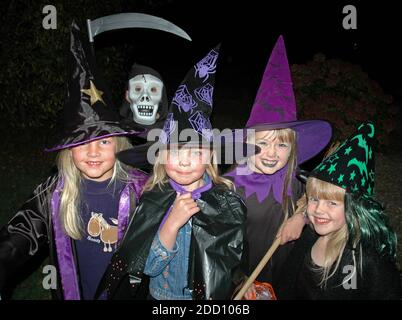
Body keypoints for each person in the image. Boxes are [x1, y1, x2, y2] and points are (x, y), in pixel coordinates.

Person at [96, 45, 258, 300]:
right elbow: (146, 268)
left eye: (195, 152)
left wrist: (242, 283)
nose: (184, 162)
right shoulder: (152, 197)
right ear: (160, 158)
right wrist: (171, 223)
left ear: (210, 157)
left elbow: (234, 260)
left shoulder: (227, 202)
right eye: (173, 152)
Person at [0, 22, 148, 300]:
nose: (93, 153)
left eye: (104, 141)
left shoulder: (141, 189)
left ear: (119, 143)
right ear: (68, 149)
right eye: (82, 143)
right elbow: (21, 232)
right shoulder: (56, 190)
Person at [225, 35, 332, 287]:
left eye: (281, 144)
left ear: (292, 148)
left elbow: (314, 201)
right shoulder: (230, 186)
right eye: (262, 143)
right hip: (242, 279)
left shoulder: (292, 178)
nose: (272, 153)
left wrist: (301, 217)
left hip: (283, 276)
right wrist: (237, 279)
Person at [275, 122, 402, 299]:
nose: (318, 209)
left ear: (354, 207)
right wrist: (300, 217)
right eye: (314, 199)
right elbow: (287, 281)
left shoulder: (367, 260)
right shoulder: (310, 235)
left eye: (332, 203)